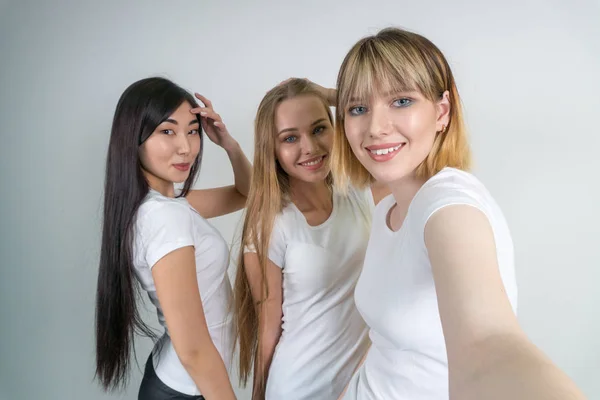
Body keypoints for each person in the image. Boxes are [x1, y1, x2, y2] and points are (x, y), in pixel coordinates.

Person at [330, 27, 585, 399]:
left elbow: (490, 342)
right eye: (358, 109)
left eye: (401, 101)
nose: (375, 128)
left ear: (442, 111)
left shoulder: (448, 204)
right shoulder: (388, 206)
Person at [95, 77, 251, 400]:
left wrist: (228, 144)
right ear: (133, 139)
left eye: (192, 130)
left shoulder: (166, 205)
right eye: (167, 131)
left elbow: (247, 193)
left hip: (181, 381)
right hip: (187, 388)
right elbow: (193, 349)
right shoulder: (165, 218)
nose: (186, 147)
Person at [233, 78, 387, 399]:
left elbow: (380, 115)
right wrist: (258, 394)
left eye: (319, 129)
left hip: (362, 385)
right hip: (299, 387)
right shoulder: (270, 224)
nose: (310, 148)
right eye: (290, 138)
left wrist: (331, 96)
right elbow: (268, 325)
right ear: (271, 150)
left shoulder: (357, 190)